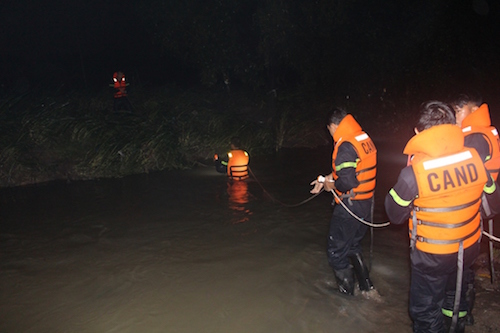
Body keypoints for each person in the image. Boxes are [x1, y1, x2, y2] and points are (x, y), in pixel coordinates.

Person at [384, 101, 500, 333]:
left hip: (432, 255)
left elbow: (393, 214)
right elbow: (493, 204)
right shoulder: (475, 158)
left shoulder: (413, 173)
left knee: (425, 312)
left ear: (418, 132)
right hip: (467, 248)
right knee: (454, 299)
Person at [310, 108, 377, 296]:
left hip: (351, 206)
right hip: (365, 203)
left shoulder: (345, 145)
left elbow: (347, 181)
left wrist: (331, 185)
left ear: (333, 126)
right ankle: (367, 287)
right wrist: (324, 180)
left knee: (336, 252)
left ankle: (346, 298)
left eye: (329, 130)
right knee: (353, 245)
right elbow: (351, 170)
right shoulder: (361, 137)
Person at [451, 93, 500, 326]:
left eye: (459, 110)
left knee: (460, 265)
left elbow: (465, 176)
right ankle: (466, 312)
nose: (456, 115)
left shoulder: (476, 138)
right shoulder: (481, 132)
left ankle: (460, 316)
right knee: (466, 262)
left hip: (472, 208)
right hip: (476, 206)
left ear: (474, 109)